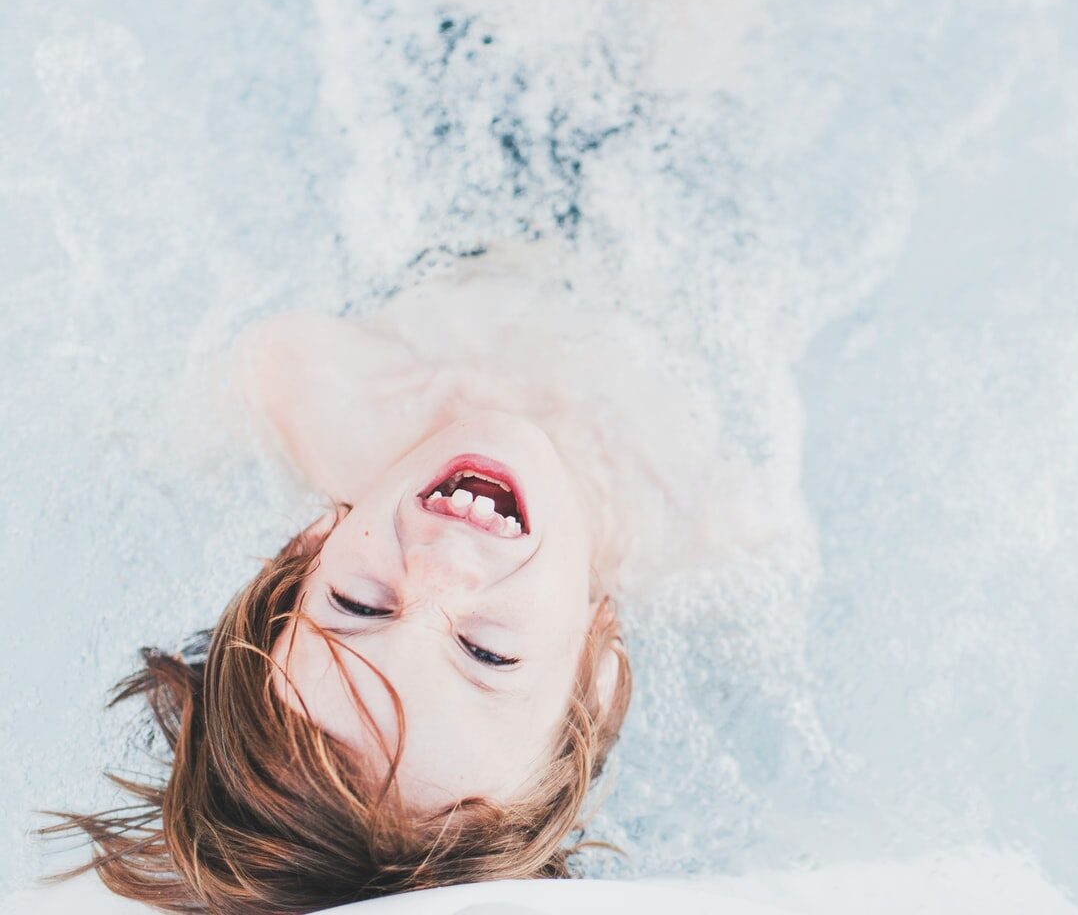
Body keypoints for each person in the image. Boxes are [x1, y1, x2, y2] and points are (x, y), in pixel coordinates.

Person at [41, 243, 751, 913]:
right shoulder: (704, 528)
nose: (437, 570)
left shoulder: (328, 397)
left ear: (310, 546)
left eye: (360, 604)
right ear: (594, 676)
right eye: (485, 653)